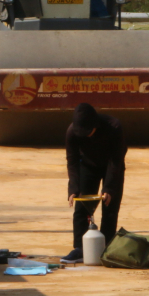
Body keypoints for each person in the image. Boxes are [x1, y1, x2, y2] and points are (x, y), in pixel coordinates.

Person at [61, 102, 127, 264]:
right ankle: (79, 248)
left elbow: (116, 159)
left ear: (95, 125)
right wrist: (73, 188)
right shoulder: (72, 132)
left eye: (87, 132)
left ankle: (107, 248)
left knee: (110, 207)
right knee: (80, 209)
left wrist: (109, 188)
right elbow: (72, 161)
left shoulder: (114, 127)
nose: (85, 136)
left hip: (112, 167)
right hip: (88, 166)